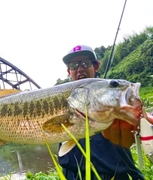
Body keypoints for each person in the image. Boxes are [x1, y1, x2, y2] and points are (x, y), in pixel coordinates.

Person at [58, 44, 153, 180]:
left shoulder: (115, 99)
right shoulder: (61, 100)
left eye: (85, 63)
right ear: (69, 71)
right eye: (74, 66)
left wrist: (144, 125)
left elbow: (143, 119)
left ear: (95, 66)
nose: (79, 69)